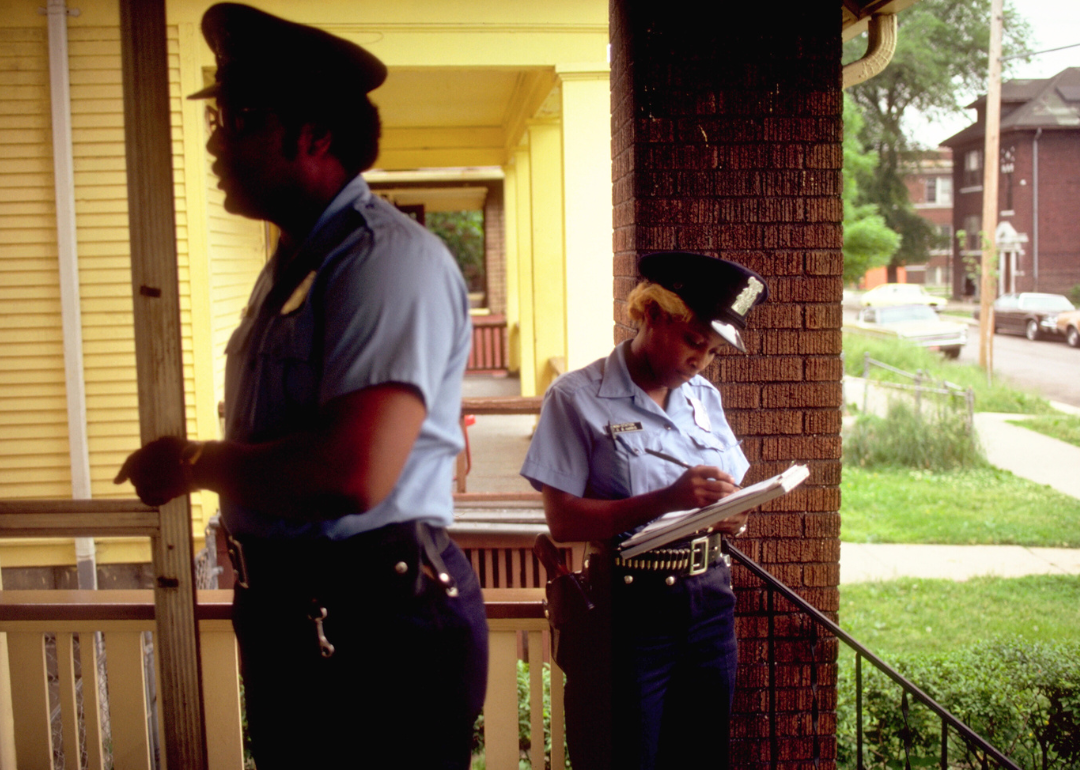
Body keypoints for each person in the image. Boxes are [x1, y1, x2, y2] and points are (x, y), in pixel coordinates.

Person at [114, 5, 487, 768]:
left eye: (237, 118)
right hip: (300, 615)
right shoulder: (294, 266)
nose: (215, 139)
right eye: (219, 115)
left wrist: (195, 464)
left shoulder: (384, 262)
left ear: (312, 135)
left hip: (374, 627)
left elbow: (350, 473)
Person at [520, 251, 768, 770]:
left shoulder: (703, 396)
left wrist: (732, 515)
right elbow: (562, 521)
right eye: (694, 341)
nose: (701, 359)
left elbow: (726, 491)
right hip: (628, 614)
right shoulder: (577, 398)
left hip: (709, 603)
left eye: (714, 349)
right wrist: (667, 499)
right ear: (652, 314)